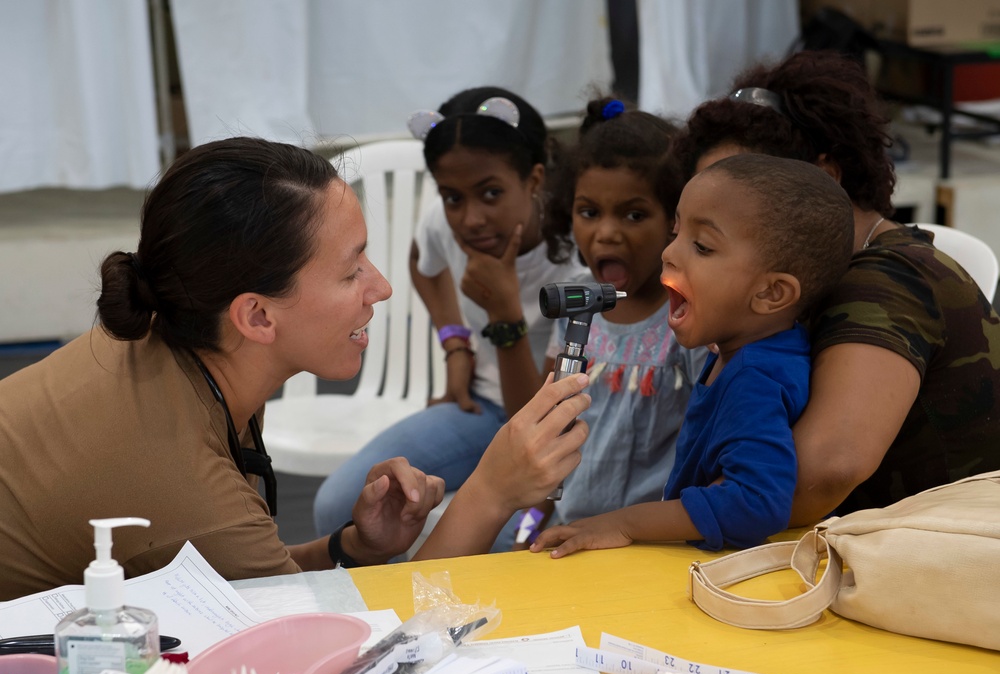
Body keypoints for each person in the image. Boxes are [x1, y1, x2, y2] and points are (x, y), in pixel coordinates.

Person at [0, 137, 591, 601]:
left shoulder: (172, 336)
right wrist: (491, 493)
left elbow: (258, 587)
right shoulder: (178, 473)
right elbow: (360, 657)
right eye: (351, 268)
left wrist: (351, 547)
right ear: (256, 315)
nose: (381, 287)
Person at [669, 50, 1000, 524]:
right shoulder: (783, 287)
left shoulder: (884, 280)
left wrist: (652, 526)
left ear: (824, 178)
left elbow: (825, 470)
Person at [531, 153, 855, 556]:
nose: (669, 254)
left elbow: (756, 503)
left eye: (701, 246)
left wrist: (625, 522)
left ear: (772, 293)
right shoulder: (738, 351)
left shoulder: (755, 378)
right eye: (676, 233)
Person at [313, 87, 582, 538]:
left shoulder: (577, 265)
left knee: (505, 548)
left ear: (535, 180)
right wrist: (455, 343)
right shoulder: (445, 219)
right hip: (478, 408)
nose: (470, 218)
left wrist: (505, 318)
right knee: (338, 504)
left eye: (491, 193)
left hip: (554, 433)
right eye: (453, 197)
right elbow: (423, 260)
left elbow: (537, 426)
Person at [502, 98, 707, 551]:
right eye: (589, 212)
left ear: (677, 222)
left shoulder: (687, 316)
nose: (606, 233)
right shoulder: (577, 302)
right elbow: (545, 425)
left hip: (652, 541)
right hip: (568, 525)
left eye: (634, 215)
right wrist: (535, 513)